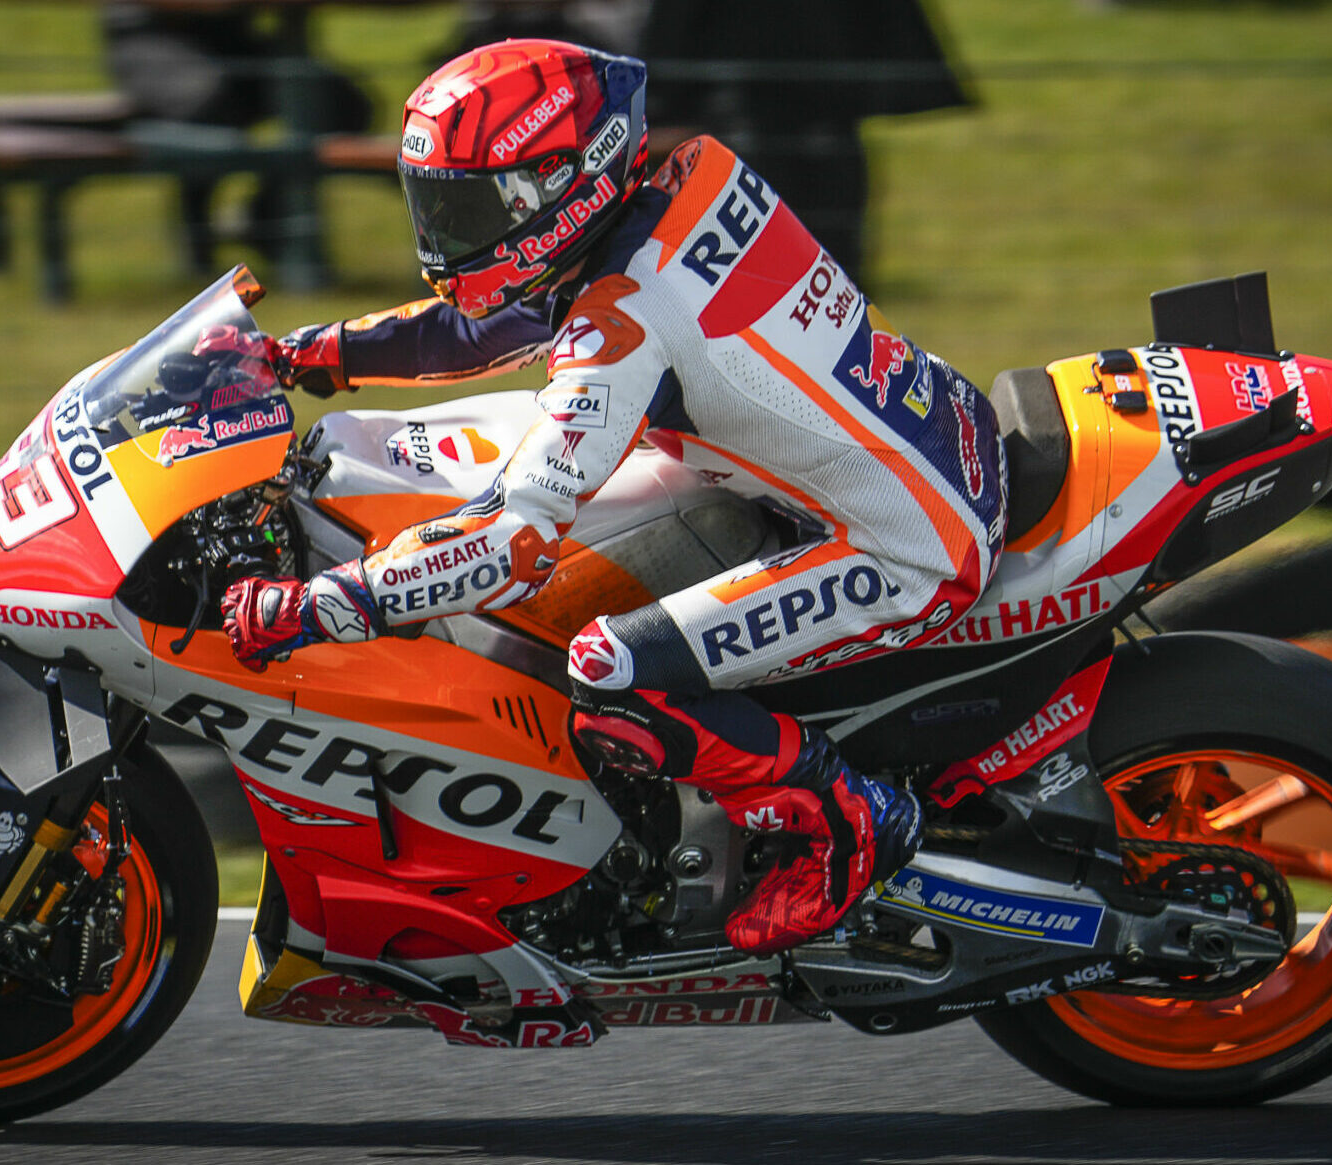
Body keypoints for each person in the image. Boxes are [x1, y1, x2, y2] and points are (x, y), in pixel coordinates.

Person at [218, 39, 1007, 956]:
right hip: (917, 434)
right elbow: (508, 319)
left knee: (608, 669)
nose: (442, 229)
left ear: (566, 182)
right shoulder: (684, 181)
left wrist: (327, 603)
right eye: (436, 201)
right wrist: (318, 353)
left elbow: (511, 539)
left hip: (905, 540)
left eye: (471, 202)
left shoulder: (622, 315)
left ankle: (848, 821)